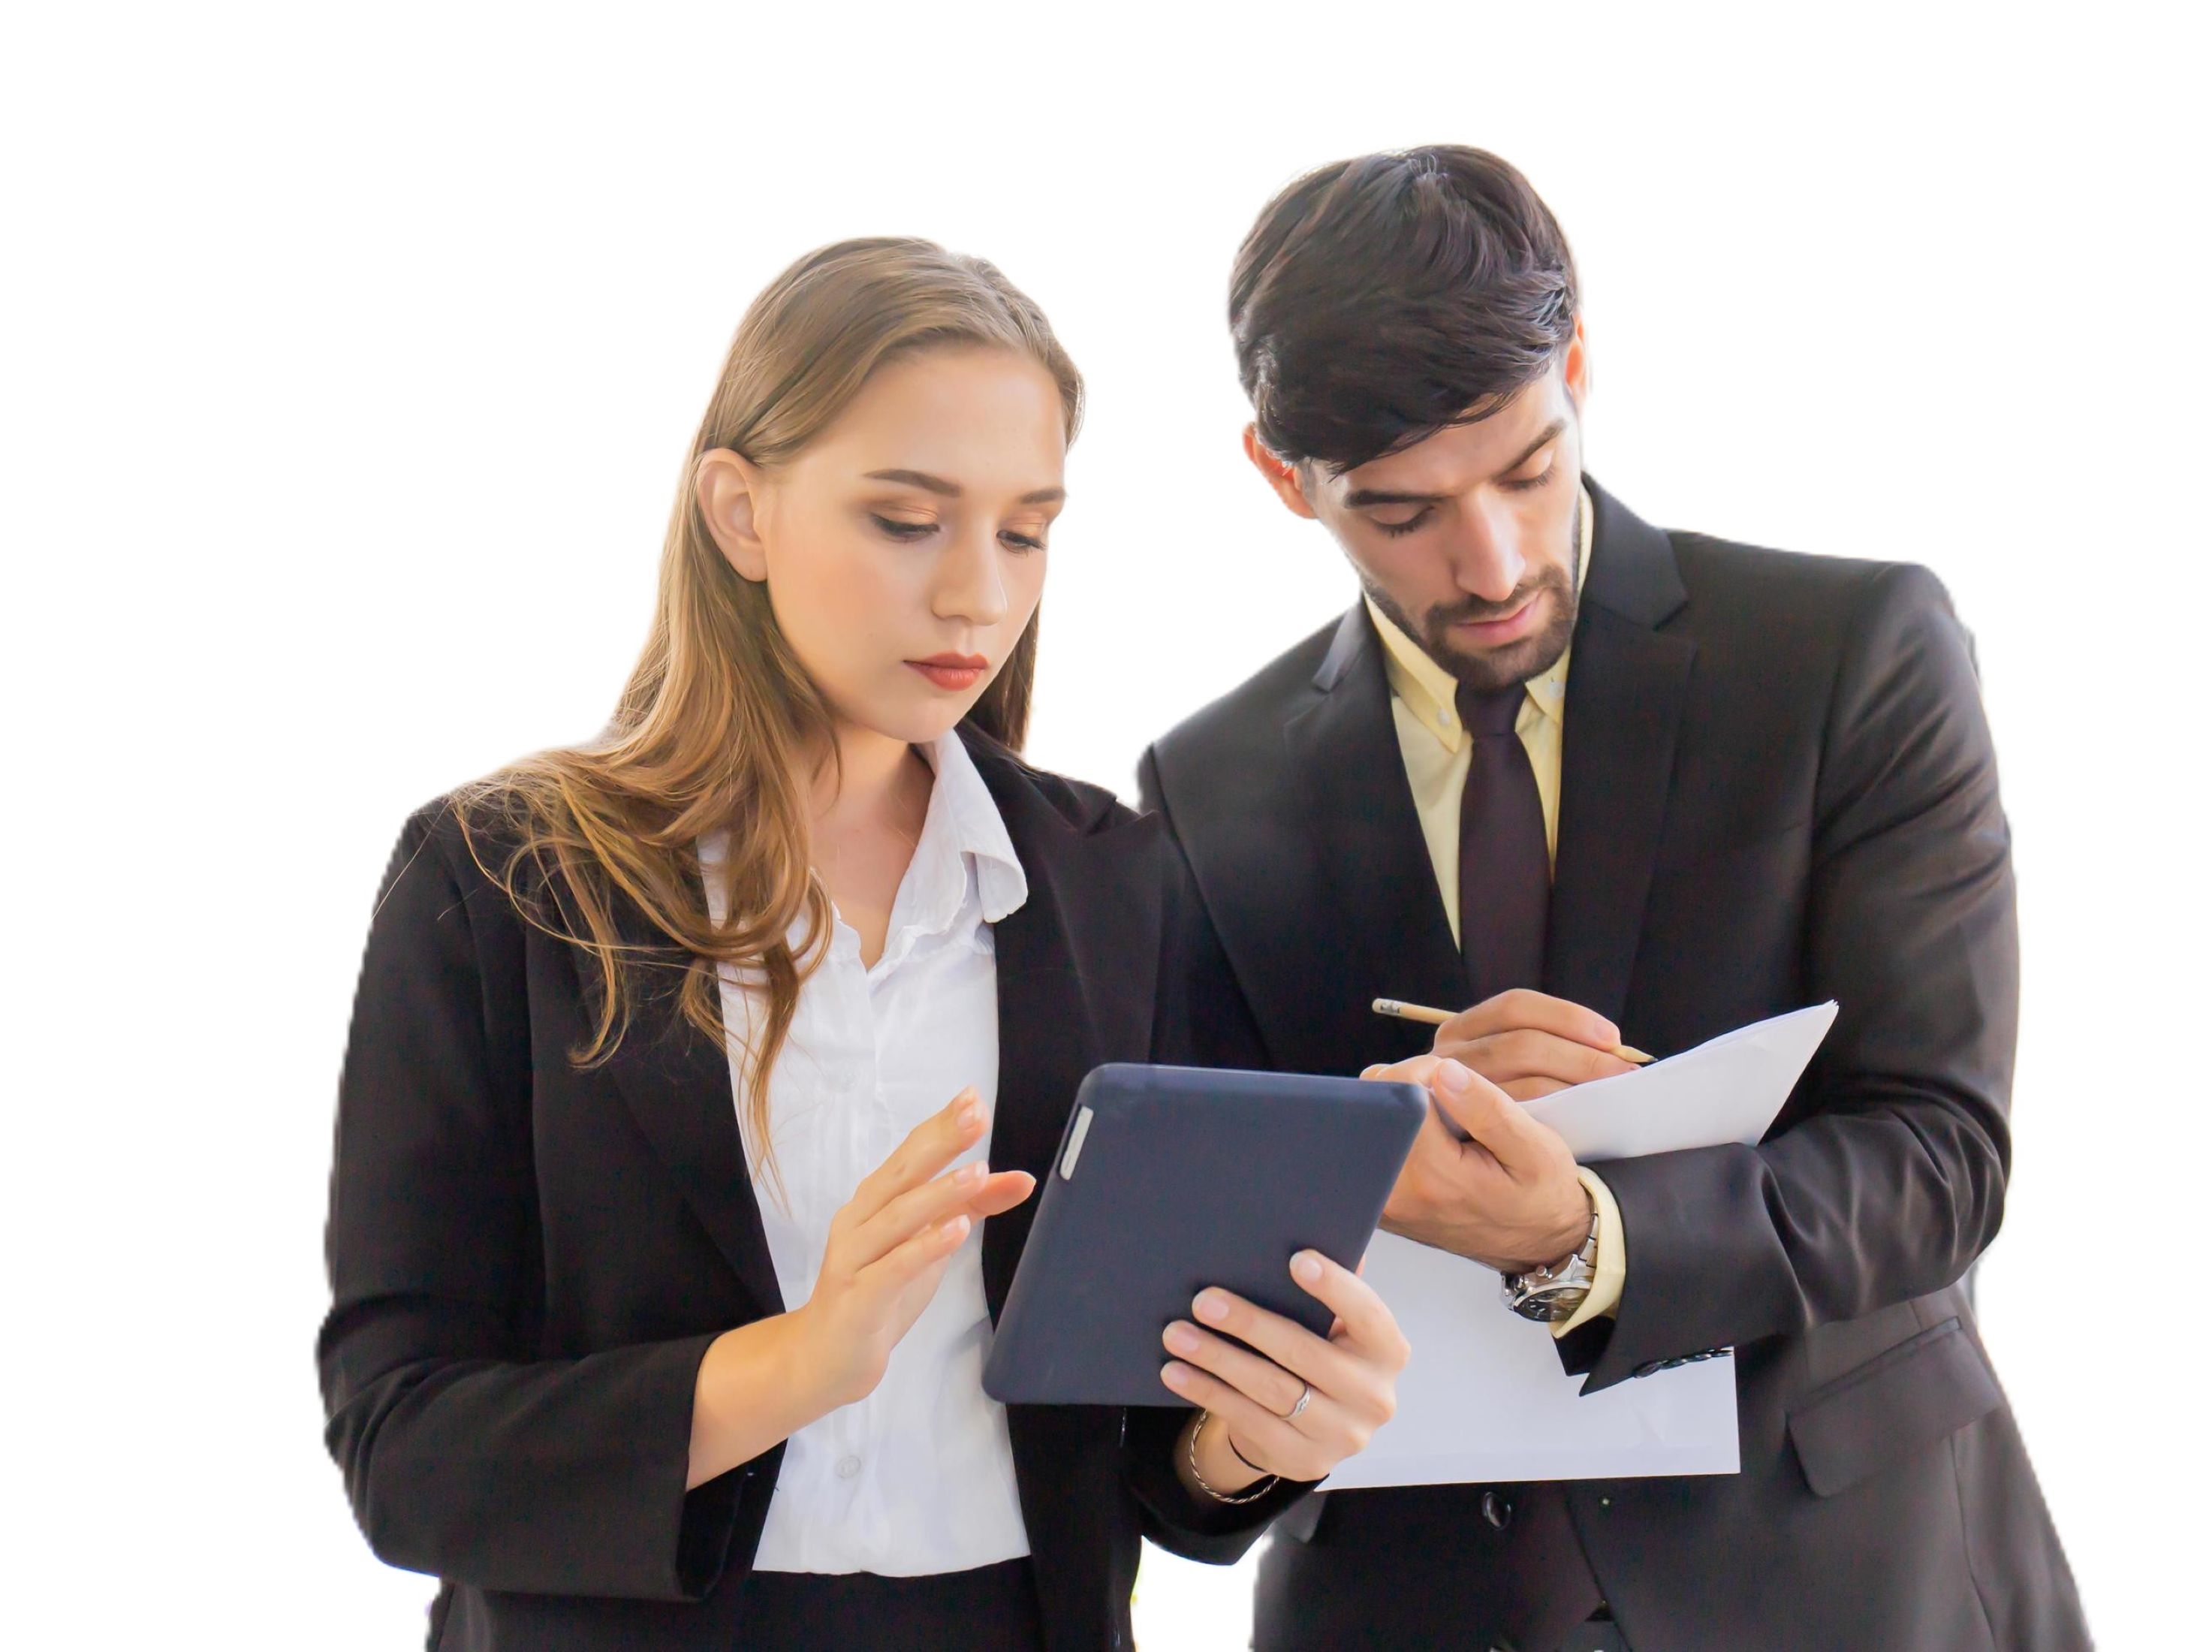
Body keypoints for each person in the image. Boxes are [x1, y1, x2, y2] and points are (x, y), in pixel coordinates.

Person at [318, 239, 1407, 1652]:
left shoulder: (1112, 880)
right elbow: (403, 1455)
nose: (979, 596)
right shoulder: (500, 882)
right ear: (740, 511)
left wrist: (1262, 1435)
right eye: (908, 519)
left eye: (1025, 531)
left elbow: (1141, 1453)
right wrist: (795, 1364)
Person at [1141, 148, 2090, 1650]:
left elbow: (1945, 1155)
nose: (1495, 560)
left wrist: (1587, 1228)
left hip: (1845, 1585)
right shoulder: (1204, 781)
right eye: (1403, 513)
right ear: (1279, 475)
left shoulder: (1851, 655)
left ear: (1577, 370)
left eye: (1528, 465)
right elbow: (1184, 1356)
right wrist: (1243, 1410)